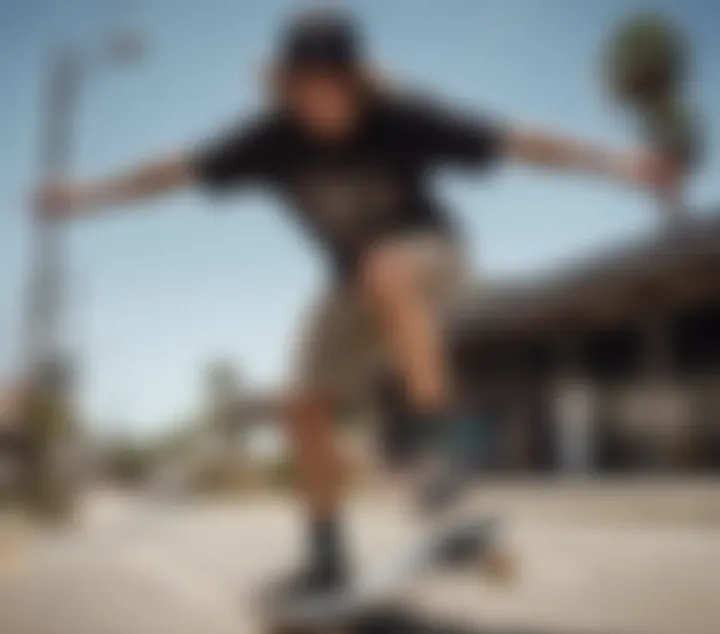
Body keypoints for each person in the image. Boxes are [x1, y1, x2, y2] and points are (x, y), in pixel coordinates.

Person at [36, 9, 679, 602]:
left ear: (356, 82)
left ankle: (441, 450)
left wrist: (615, 160)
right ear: (287, 86)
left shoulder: (403, 117)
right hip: (352, 284)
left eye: (333, 86)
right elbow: (172, 171)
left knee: (387, 266)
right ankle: (326, 555)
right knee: (301, 404)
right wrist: (88, 196)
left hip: (432, 254)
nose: (321, 102)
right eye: (306, 88)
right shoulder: (267, 139)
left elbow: (518, 143)